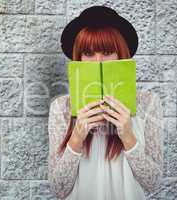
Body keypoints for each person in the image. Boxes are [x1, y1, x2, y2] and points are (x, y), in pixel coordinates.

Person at [47, 6, 163, 200]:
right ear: (79, 59)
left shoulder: (148, 102)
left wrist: (128, 136)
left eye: (108, 52)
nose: (98, 62)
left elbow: (153, 183)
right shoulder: (61, 107)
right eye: (88, 53)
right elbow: (58, 189)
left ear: (121, 55)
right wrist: (77, 136)